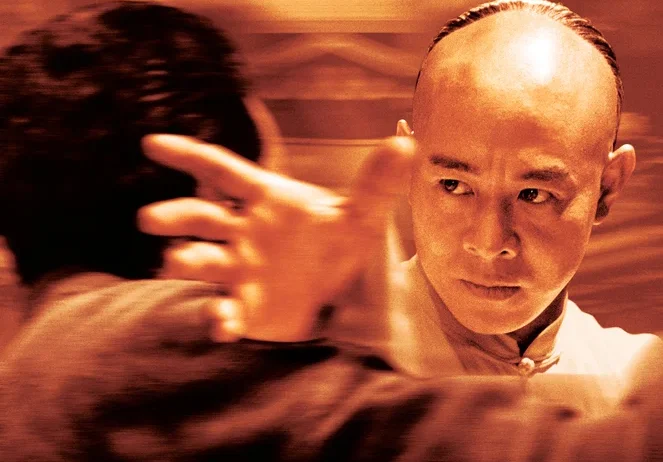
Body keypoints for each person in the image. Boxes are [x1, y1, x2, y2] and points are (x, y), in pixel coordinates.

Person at [1, 2, 662, 461]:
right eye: (453, 184)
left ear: (609, 185)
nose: (490, 241)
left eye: (535, 194)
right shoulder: (218, 351)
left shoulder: (632, 366)